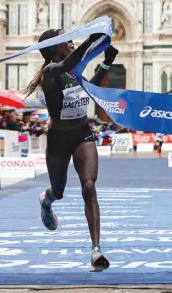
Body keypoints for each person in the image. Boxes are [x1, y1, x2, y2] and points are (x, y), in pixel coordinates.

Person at [22, 29, 119, 272]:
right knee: (59, 190)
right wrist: (90, 40)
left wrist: (106, 64)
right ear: (55, 47)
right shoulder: (50, 72)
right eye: (67, 39)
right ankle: (47, 200)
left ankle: (96, 250)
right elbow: (69, 62)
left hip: (82, 133)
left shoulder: (73, 70)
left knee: (89, 185)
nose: (71, 41)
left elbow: (89, 89)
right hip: (59, 139)